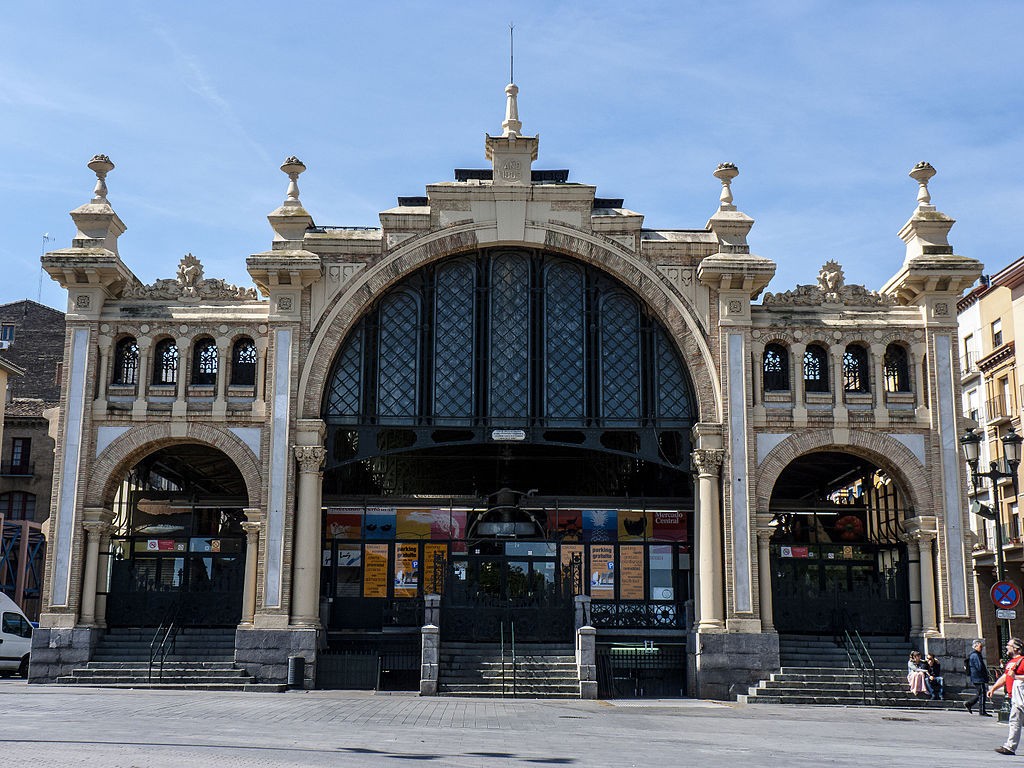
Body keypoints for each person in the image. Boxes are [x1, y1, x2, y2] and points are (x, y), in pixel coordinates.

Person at [988, 637, 1024, 755]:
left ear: (1016, 648)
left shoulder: (1022, 661)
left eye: (1009, 645)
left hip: (1021, 696)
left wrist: (1016, 677)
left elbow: (1013, 676)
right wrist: (993, 688)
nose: (1006, 647)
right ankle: (1010, 747)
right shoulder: (1011, 662)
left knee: (1015, 721)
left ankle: (1010, 747)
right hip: (1015, 697)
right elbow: (1005, 677)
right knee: (1014, 721)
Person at [966, 639, 991, 716]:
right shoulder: (975, 655)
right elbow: (979, 667)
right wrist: (985, 673)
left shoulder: (974, 654)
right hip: (978, 677)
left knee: (981, 693)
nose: (982, 648)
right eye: (980, 646)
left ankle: (969, 703)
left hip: (976, 677)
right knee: (982, 693)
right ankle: (982, 711)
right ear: (975, 646)